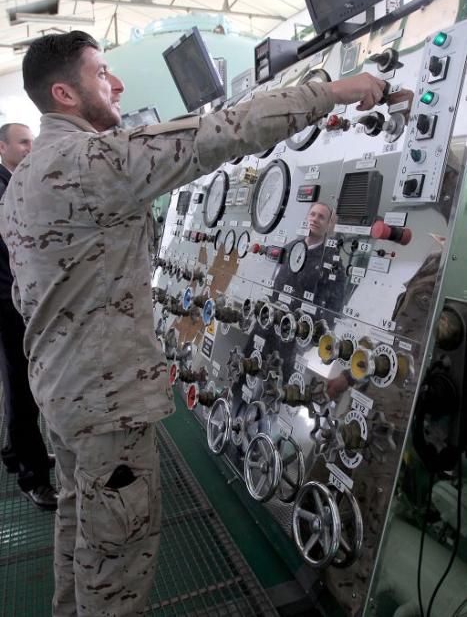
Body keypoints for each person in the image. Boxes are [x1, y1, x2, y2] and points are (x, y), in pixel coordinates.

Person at [0, 30, 386, 617]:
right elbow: (220, 133)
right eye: (103, 72)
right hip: (110, 409)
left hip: (58, 393)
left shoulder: (22, 180)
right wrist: (333, 90)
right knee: (119, 569)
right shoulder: (95, 161)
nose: (119, 82)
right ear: (65, 93)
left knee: (80, 535)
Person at [0, 123, 57, 510]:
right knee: (23, 391)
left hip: (16, 300)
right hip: (8, 305)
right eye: (23, 142)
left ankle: (15, 454)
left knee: (19, 387)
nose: (29, 148)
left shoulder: (13, 183)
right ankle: (32, 477)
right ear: (2, 147)